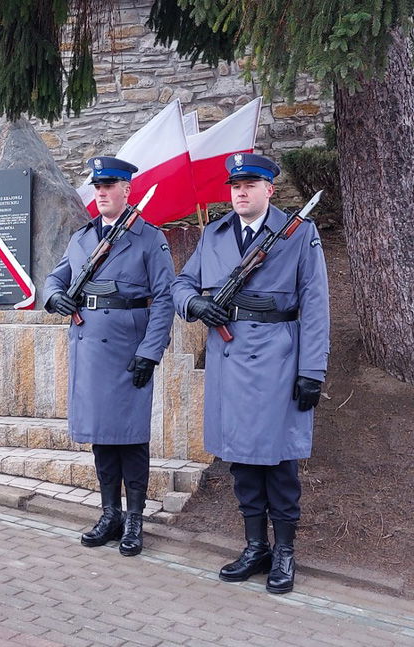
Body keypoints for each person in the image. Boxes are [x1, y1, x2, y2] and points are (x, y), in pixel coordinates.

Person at [171, 153, 330, 594]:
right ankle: (255, 546)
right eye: (235, 186)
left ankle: (284, 552)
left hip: (279, 359)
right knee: (241, 461)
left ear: (268, 190)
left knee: (278, 462)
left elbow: (315, 306)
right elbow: (181, 284)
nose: (240, 192)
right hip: (230, 355)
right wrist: (195, 304)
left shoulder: (298, 234)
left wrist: (312, 370)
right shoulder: (216, 233)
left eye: (250, 185)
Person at [44, 156, 175, 557]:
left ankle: (135, 519)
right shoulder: (82, 238)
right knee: (102, 436)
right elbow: (55, 278)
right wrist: (55, 297)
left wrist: (150, 353)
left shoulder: (148, 238)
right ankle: (110, 514)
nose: (101, 193)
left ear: (126, 190)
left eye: (109, 187)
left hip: (128, 349)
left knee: (131, 438)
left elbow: (165, 298)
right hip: (90, 348)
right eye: (97, 187)